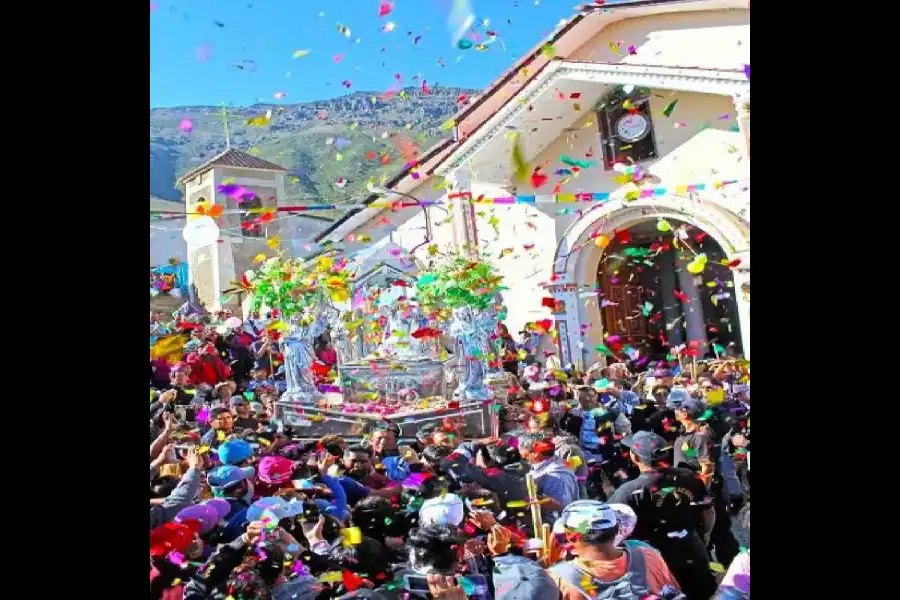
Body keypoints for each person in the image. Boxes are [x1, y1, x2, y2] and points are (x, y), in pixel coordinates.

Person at [609, 431, 717, 600]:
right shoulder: (690, 476)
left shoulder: (628, 492)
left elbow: (610, 532)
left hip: (656, 565)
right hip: (693, 553)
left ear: (635, 458)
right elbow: (708, 512)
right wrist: (703, 537)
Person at [548, 500, 684, 600]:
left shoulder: (557, 579)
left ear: (570, 537)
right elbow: (673, 592)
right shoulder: (647, 556)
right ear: (616, 530)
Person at [674, 398, 741, 567]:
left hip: (706, 494)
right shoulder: (688, 432)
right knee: (711, 533)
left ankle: (734, 570)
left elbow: (707, 467)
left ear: (686, 413)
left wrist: (701, 494)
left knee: (717, 532)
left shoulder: (700, 436)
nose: (675, 410)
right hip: (698, 492)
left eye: (679, 408)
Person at [517, 434, 579, 520]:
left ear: (536, 454)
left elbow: (563, 509)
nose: (526, 461)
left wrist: (537, 500)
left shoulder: (556, 478)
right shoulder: (549, 461)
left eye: (526, 458)